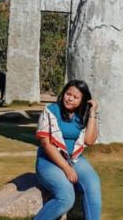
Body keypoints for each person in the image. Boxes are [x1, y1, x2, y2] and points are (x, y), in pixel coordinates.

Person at [34, 80, 101, 220]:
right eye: (68, 93)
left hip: (74, 159)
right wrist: (66, 168)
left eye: (75, 97)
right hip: (49, 160)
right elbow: (46, 144)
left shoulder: (82, 115)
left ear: (83, 100)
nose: (70, 98)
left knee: (93, 186)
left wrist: (92, 112)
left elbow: (89, 140)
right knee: (66, 198)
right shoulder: (50, 111)